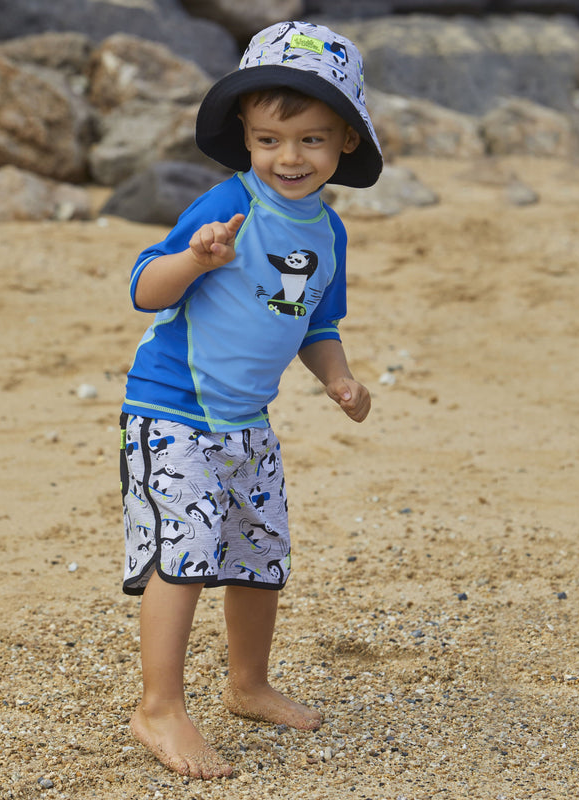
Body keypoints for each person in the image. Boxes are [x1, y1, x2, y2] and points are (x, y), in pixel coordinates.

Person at [118, 21, 382, 779]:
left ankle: (248, 683)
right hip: (172, 410)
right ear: (244, 135)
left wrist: (337, 377)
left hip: (245, 422)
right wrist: (194, 261)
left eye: (310, 141)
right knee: (188, 555)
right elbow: (142, 288)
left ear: (347, 144)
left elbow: (315, 321)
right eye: (269, 140)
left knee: (256, 556)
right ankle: (158, 706)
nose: (289, 158)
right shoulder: (225, 206)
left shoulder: (327, 230)